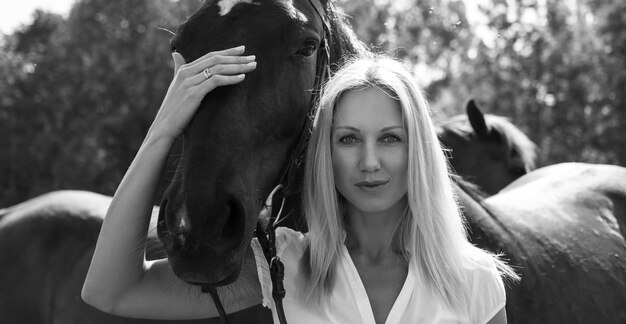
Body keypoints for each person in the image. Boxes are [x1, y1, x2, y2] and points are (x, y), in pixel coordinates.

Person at [82, 46, 518, 324]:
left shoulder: (474, 282)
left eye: (390, 138)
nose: (369, 163)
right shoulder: (284, 266)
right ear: (325, 153)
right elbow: (111, 290)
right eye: (348, 139)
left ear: (418, 152)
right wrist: (163, 129)